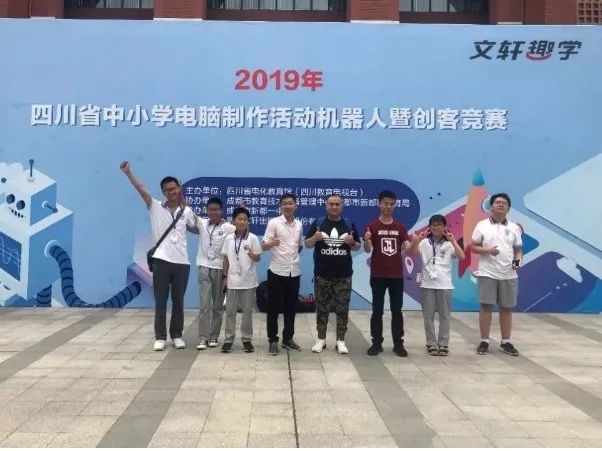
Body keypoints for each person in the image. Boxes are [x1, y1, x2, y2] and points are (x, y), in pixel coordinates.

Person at [120, 161, 196, 351]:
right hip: (161, 261)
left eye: (174, 188)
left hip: (182, 262)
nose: (171, 192)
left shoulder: (187, 211)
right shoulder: (155, 206)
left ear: (179, 189)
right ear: (163, 192)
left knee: (178, 301)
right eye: (167, 189)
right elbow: (141, 189)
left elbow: (197, 228)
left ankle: (177, 335)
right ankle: (160, 337)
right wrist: (128, 173)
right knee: (161, 300)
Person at [363, 190, 420, 358]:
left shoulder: (400, 227)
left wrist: (415, 243)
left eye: (391, 204)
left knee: (397, 311)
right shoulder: (372, 226)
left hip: (396, 276)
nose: (388, 206)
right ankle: (376, 343)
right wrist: (366, 239)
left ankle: (398, 344)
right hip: (378, 275)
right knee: (377, 310)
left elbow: (410, 252)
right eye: (385, 203)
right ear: (379, 204)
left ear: (395, 205)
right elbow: (367, 249)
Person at [305, 194, 360, 354]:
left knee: (342, 309)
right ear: (326, 205)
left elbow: (357, 246)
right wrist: (314, 238)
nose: (334, 207)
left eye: (337, 204)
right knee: (321, 308)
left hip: (344, 275)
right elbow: (307, 244)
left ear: (342, 206)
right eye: (331, 204)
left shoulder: (349, 224)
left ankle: (341, 341)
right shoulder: (318, 223)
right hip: (322, 275)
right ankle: (321, 339)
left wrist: (352, 242)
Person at [471, 193, 523, 356]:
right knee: (486, 306)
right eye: (498, 202)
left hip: (509, 274)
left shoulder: (514, 227)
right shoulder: (482, 225)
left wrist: (517, 262)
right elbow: (473, 246)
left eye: (504, 203)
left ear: (508, 208)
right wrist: (487, 250)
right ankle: (484, 341)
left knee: (506, 308)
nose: (501, 205)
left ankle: (505, 341)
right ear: (491, 206)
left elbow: (518, 250)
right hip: (487, 272)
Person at [261, 193, 304, 356]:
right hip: (277, 271)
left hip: (294, 271)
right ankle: (273, 340)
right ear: (281, 206)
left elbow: (299, 246)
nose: (288, 206)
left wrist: (292, 257)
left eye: (291, 203)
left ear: (296, 205)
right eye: (285, 203)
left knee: (291, 308)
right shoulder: (274, 223)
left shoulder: (299, 224)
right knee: (273, 308)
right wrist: (271, 243)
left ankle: (288, 339)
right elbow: (264, 245)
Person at [417, 214, 465, 356]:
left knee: (445, 316)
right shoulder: (424, 242)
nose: (435, 227)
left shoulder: (449, 244)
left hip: (445, 285)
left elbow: (462, 257)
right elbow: (411, 252)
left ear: (444, 227)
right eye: (432, 225)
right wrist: (417, 240)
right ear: (429, 227)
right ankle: (431, 343)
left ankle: (443, 343)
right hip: (427, 284)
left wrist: (453, 241)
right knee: (428, 316)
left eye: (438, 225)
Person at [194, 197, 235, 350]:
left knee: (217, 305)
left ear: (221, 210)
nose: (213, 212)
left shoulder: (229, 228)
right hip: (204, 266)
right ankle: (203, 337)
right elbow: (188, 210)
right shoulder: (202, 223)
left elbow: (242, 229)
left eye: (216, 209)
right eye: (210, 209)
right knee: (204, 305)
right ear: (207, 210)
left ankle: (214, 336)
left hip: (220, 268)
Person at [221, 206, 261, 353]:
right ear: (234, 221)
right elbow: (225, 259)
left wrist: (254, 256)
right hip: (232, 281)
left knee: (247, 313)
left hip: (248, 282)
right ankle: (228, 340)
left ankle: (247, 340)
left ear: (248, 221)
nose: (242, 222)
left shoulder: (253, 238)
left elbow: (258, 258)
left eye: (245, 219)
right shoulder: (228, 238)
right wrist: (224, 278)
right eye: (239, 219)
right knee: (230, 312)